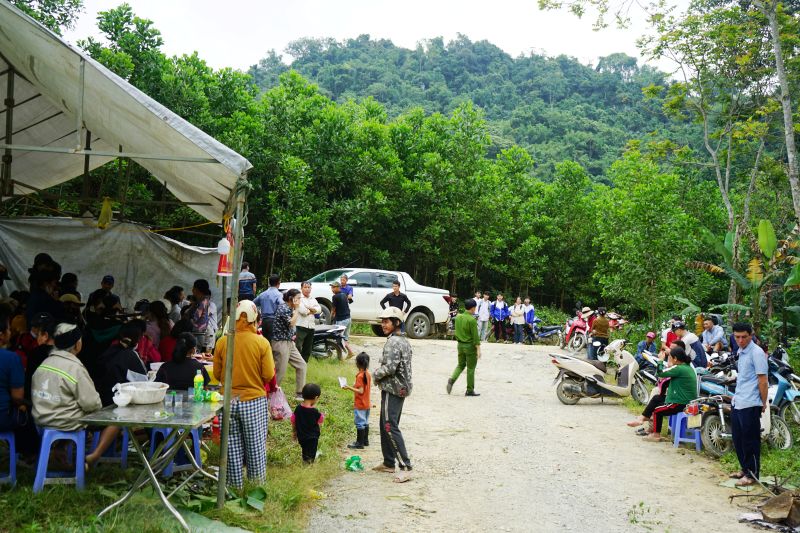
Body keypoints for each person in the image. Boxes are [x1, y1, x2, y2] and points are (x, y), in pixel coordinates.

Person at [31, 323, 119, 469]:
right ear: (77, 344)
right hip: (65, 422)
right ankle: (93, 456)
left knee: (68, 409)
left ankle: (58, 451)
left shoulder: (44, 364)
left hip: (41, 418)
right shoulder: (75, 368)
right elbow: (92, 404)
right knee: (116, 419)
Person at [213, 300, 275, 489]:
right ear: (254, 319)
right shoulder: (262, 343)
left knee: (231, 448)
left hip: (228, 401)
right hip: (253, 401)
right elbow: (269, 375)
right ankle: (256, 489)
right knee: (255, 448)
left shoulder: (223, 342)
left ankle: (233, 489)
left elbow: (217, 374)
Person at [372, 307, 413, 479]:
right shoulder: (402, 340)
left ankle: (406, 467)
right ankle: (389, 462)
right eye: (382, 321)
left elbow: (390, 368)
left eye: (387, 321)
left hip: (393, 389)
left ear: (397, 322)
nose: (383, 324)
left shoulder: (394, 342)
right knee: (385, 424)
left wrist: (374, 374)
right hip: (398, 387)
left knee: (389, 426)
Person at [729, 322, 769, 486]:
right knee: (738, 438)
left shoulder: (757, 353)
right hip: (738, 400)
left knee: (750, 440)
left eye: (744, 337)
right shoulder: (741, 351)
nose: (740, 340)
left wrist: (763, 402)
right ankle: (744, 469)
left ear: (751, 335)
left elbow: (763, 380)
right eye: (737, 337)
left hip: (751, 402)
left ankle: (752, 474)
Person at [643, 346, 698, 442]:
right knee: (657, 398)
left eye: (670, 358)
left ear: (675, 359)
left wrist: (660, 360)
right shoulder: (687, 367)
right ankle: (643, 418)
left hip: (680, 402)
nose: (670, 360)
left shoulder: (679, 368)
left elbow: (660, 373)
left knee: (657, 411)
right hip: (684, 401)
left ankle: (655, 435)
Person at [95, 322, 149, 405]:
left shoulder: (109, 350)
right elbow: (143, 383)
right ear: (137, 340)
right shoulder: (130, 355)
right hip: (120, 400)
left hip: (103, 398)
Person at [271, 289, 308, 401]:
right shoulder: (283, 308)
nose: (300, 300)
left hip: (289, 342)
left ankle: (300, 392)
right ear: (291, 298)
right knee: (280, 371)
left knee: (302, 365)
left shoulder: (290, 308)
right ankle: (271, 395)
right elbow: (291, 323)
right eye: (298, 298)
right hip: (280, 343)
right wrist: (296, 309)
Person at [447, 298, 481, 396]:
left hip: (460, 345)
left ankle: (452, 379)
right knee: (471, 368)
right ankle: (469, 390)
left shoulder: (458, 317)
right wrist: (478, 349)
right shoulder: (472, 320)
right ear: (473, 308)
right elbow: (475, 337)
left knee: (460, 365)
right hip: (469, 347)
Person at [24, 312, 56, 401]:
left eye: (38, 332)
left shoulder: (35, 353)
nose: (35, 333)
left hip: (36, 400)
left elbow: (29, 380)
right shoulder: (63, 352)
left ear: (45, 334)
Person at [342, 352, 371, 449]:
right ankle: (365, 441)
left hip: (360, 403)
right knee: (365, 421)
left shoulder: (360, 376)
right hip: (367, 403)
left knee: (360, 423)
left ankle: (359, 443)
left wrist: (349, 387)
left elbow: (360, 391)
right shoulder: (367, 374)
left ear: (357, 363)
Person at [188, 279, 217, 353]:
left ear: (197, 289)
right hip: (203, 332)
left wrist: (188, 320)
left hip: (203, 333)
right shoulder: (202, 300)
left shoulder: (203, 302)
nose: (192, 290)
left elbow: (196, 317)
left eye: (193, 287)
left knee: (200, 355)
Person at [295, 281, 321, 363]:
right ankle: (296, 363)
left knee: (308, 348)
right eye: (305, 287)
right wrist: (312, 310)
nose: (307, 289)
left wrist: (311, 309)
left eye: (308, 287)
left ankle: (304, 363)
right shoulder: (299, 298)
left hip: (311, 326)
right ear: (301, 288)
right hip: (301, 326)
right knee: (298, 346)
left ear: (311, 288)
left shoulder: (312, 299)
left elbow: (319, 309)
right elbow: (303, 311)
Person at [253, 274, 282, 341]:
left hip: (264, 322)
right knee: (274, 343)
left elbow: (252, 303)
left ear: (269, 283)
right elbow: (282, 306)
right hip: (274, 321)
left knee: (266, 342)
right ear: (279, 283)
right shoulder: (279, 295)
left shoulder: (262, 294)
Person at [330, 281, 355, 358]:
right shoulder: (344, 295)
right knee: (345, 338)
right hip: (348, 319)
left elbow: (333, 309)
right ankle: (350, 352)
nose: (332, 289)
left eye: (333, 287)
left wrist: (331, 318)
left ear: (338, 287)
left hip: (341, 320)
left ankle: (341, 356)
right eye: (331, 287)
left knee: (339, 338)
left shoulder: (335, 297)